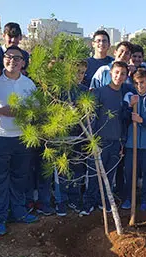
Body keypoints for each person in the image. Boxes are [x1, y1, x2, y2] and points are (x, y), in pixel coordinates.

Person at [0, 46, 39, 236]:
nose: (12, 60)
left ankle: (19, 213)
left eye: (17, 58)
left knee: (19, 179)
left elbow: (36, 110)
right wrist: (0, 111)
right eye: (8, 57)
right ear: (3, 59)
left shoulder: (29, 84)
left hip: (21, 138)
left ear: (23, 63)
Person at [80, 61, 132, 215]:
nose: (119, 76)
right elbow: (90, 118)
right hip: (99, 140)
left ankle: (104, 202)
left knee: (109, 175)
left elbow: (124, 119)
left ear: (126, 76)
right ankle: (88, 203)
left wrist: (122, 140)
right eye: (116, 73)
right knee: (94, 174)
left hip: (116, 140)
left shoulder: (125, 93)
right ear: (110, 73)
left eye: (123, 74)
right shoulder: (100, 92)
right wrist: (92, 139)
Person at [120, 69, 146, 211]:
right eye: (136, 83)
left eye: (142, 83)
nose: (139, 86)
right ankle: (128, 198)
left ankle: (144, 199)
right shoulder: (129, 97)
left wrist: (142, 120)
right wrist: (130, 107)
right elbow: (122, 117)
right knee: (130, 172)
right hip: (132, 143)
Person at [53, 60, 90, 215]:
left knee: (77, 169)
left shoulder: (84, 91)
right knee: (61, 170)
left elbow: (89, 115)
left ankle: (74, 199)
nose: (79, 76)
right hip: (61, 137)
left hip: (78, 137)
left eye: (82, 72)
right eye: (76, 72)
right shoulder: (59, 90)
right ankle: (61, 201)